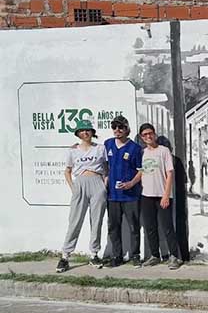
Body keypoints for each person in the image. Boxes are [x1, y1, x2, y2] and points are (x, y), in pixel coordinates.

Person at [56, 119, 108, 273]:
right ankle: (65, 256)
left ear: (92, 132)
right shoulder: (72, 150)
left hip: (97, 182)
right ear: (78, 133)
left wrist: (104, 185)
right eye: (82, 130)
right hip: (80, 183)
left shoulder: (100, 148)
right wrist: (73, 187)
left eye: (88, 130)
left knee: (96, 220)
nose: (85, 133)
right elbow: (67, 171)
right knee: (75, 220)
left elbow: (106, 168)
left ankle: (94, 254)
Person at [138, 123, 182, 270]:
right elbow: (142, 172)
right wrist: (131, 183)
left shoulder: (164, 151)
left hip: (162, 195)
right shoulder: (143, 153)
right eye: (145, 135)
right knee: (150, 227)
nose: (148, 136)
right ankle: (155, 256)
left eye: (150, 133)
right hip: (146, 196)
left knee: (167, 226)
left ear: (154, 134)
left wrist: (166, 195)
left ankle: (174, 256)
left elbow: (170, 173)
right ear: (141, 138)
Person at [104, 115, 143, 268]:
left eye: (121, 127)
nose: (117, 130)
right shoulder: (107, 144)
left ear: (127, 129)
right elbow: (102, 163)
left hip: (130, 196)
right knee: (113, 226)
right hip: (112, 196)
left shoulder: (135, 148)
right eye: (114, 127)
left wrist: (131, 183)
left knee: (134, 226)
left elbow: (141, 171)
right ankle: (117, 255)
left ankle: (135, 255)